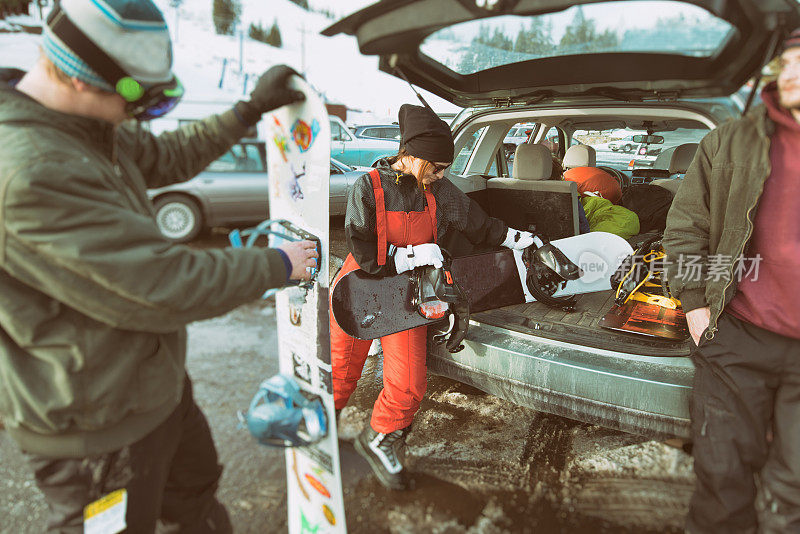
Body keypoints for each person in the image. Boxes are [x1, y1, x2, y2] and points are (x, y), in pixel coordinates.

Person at [0, 0, 317, 531]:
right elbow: (163, 284)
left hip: (152, 390)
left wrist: (246, 111)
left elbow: (167, 156)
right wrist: (276, 264)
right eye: (137, 102)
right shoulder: (34, 171)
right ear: (83, 80)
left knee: (193, 495)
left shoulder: (85, 124)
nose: (137, 117)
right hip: (95, 425)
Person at [331, 104, 535, 490]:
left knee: (408, 381)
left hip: (408, 296)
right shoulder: (369, 186)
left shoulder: (439, 190)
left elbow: (475, 222)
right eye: (436, 166)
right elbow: (362, 248)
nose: (441, 175)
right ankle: (320, 429)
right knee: (340, 368)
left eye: (444, 167)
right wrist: (408, 254)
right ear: (409, 155)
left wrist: (517, 238)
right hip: (357, 290)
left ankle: (380, 439)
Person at [663, 29, 800, 534]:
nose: (790, 72)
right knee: (721, 479)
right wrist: (697, 307)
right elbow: (685, 229)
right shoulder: (729, 141)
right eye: (786, 61)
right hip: (735, 332)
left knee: (796, 490)